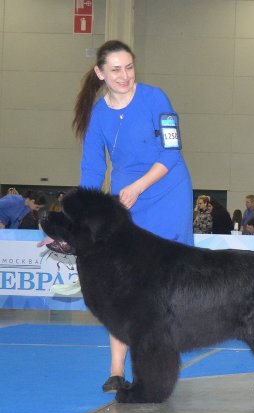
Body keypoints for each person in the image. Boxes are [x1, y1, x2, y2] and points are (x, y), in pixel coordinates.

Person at [73, 40, 194, 394]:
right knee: (123, 284)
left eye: (129, 67)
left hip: (167, 190)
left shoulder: (156, 98)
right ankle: (116, 369)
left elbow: (172, 151)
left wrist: (139, 186)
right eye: (115, 70)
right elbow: (92, 169)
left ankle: (165, 353)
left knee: (171, 279)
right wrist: (81, 216)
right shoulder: (97, 115)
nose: (124, 76)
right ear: (100, 73)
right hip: (126, 203)